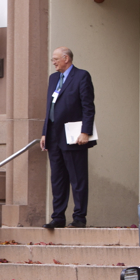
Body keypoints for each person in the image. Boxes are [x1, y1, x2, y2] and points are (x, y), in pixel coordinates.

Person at [40, 47, 96, 229]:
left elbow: (88, 107)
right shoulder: (53, 78)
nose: (53, 62)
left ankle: (79, 218)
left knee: (77, 178)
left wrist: (85, 132)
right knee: (57, 178)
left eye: (56, 59)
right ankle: (58, 217)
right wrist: (44, 133)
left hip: (73, 135)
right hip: (53, 135)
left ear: (66, 58)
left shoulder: (81, 76)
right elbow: (50, 108)